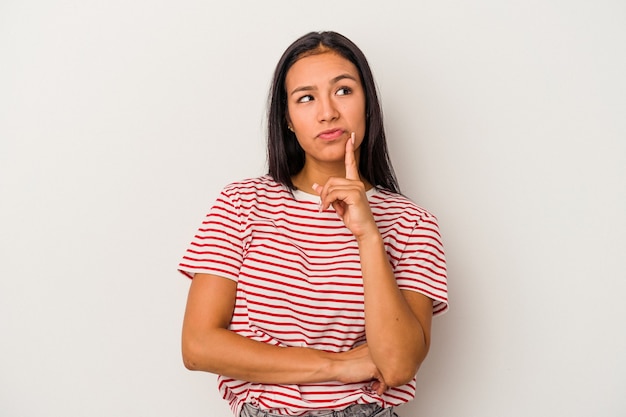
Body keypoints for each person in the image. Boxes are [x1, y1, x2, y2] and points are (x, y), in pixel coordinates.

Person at [178, 31, 448, 417]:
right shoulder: (242, 204)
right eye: (306, 98)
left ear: (368, 103)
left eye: (343, 91)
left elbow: (399, 365)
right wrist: (335, 366)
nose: (327, 112)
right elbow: (198, 346)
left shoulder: (412, 224)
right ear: (287, 119)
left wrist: (368, 234)